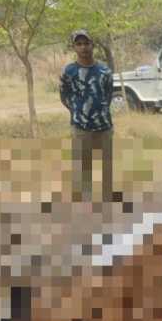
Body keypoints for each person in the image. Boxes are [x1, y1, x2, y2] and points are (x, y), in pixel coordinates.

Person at [59, 29, 115, 203]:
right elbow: (64, 96)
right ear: (74, 47)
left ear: (93, 45)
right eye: (79, 44)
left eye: (86, 43)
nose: (83, 47)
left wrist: (99, 111)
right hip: (81, 129)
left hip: (104, 128)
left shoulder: (104, 70)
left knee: (106, 170)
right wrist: (78, 111)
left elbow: (108, 95)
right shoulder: (68, 71)